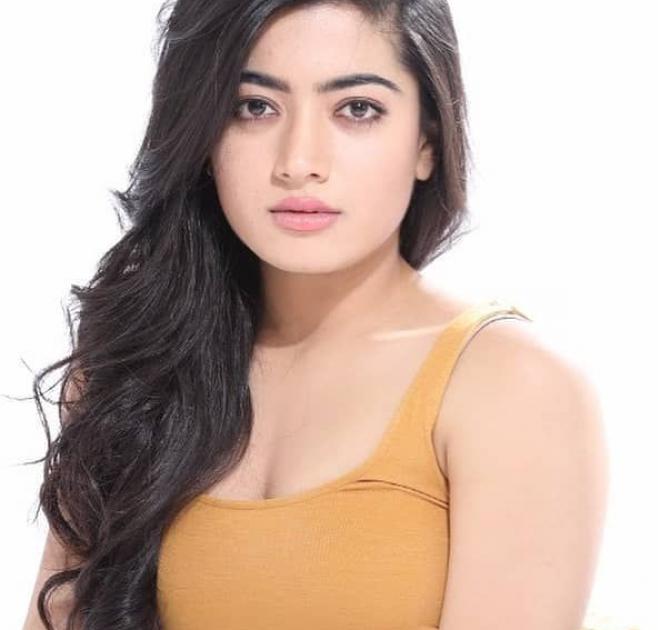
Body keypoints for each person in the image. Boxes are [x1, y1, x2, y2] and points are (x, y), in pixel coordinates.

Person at [22, 1, 608, 628]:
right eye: (255, 107)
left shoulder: (511, 387)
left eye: (357, 109)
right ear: (204, 136)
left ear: (427, 143)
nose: (299, 161)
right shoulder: (134, 369)